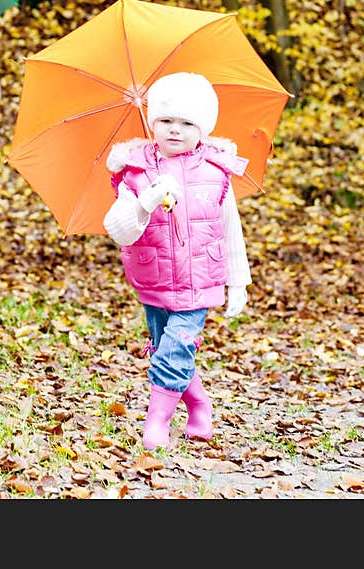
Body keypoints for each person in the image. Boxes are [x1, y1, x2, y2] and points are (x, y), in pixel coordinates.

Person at [103, 72, 252, 451]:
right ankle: (200, 403)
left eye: (187, 123)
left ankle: (158, 422)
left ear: (203, 127)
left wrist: (238, 281)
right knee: (167, 346)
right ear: (153, 122)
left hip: (200, 278)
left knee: (175, 347)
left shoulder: (217, 171)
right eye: (166, 120)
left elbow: (229, 226)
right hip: (154, 278)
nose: (175, 130)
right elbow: (118, 229)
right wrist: (145, 201)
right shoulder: (134, 172)